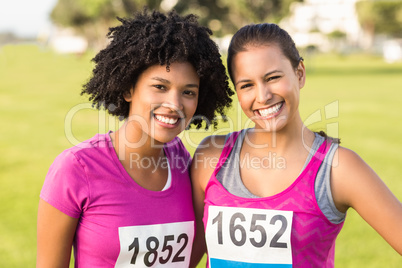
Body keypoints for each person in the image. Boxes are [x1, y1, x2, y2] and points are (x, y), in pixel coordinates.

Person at [190, 23, 402, 267]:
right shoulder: (212, 155)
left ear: (299, 73)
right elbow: (189, 251)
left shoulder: (338, 168)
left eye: (273, 78)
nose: (263, 96)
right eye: (247, 85)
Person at [37, 9, 233, 268]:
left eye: (188, 92)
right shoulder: (75, 169)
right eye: (160, 87)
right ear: (129, 88)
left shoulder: (183, 161)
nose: (174, 104)